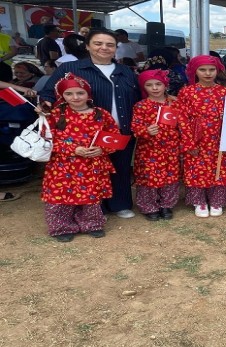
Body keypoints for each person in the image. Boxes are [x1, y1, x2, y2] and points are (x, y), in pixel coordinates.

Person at [41, 29, 141, 219]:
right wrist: (44, 104)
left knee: (120, 167)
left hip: (119, 130)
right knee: (88, 171)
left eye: (110, 44)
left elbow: (138, 98)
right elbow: (48, 93)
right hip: (82, 133)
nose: (104, 48)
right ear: (87, 46)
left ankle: (120, 204)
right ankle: (93, 208)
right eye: (98, 43)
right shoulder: (70, 68)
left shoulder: (125, 71)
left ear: (115, 49)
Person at [39, 73, 120, 242]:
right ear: (62, 96)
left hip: (92, 164)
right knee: (59, 197)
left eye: (80, 93)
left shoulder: (101, 114)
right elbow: (47, 139)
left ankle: (92, 224)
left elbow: (114, 138)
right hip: (63, 165)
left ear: (88, 94)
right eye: (69, 94)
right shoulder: (54, 115)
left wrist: (102, 150)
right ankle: (61, 227)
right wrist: (74, 149)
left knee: (91, 197)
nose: (75, 97)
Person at [173, 55, 226, 218]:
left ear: (217, 70)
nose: (208, 73)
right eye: (202, 69)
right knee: (196, 168)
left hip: (219, 137)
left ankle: (217, 200)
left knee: (218, 167)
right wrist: (188, 143)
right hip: (196, 136)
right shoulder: (187, 92)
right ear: (195, 71)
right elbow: (182, 119)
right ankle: (198, 201)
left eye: (211, 69)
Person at [131, 69, 180, 221]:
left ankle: (167, 205)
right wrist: (146, 130)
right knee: (148, 178)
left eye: (158, 84)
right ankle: (149, 207)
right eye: (149, 85)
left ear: (165, 85)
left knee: (170, 177)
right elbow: (135, 127)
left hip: (171, 148)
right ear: (143, 87)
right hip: (149, 150)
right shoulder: (140, 106)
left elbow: (184, 123)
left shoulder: (175, 103)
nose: (154, 88)